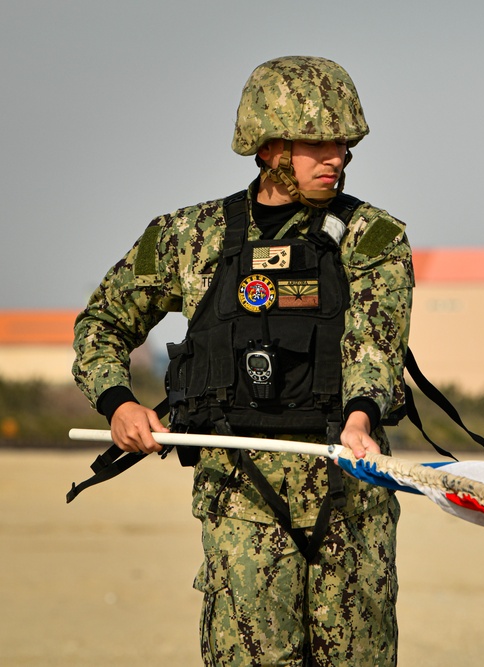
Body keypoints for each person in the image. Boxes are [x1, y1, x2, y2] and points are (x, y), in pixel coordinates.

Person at [72, 55, 412, 666]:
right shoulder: (188, 237)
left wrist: (360, 417)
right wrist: (118, 403)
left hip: (349, 500)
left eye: (343, 143)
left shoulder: (374, 237)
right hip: (240, 504)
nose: (336, 156)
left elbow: (375, 345)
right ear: (269, 146)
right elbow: (100, 325)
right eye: (317, 143)